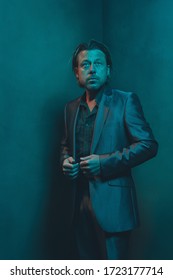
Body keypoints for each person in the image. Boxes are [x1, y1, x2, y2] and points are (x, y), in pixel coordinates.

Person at [60, 39, 158, 260]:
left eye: (99, 64)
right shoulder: (70, 108)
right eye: (85, 64)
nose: (92, 69)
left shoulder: (125, 101)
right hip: (78, 203)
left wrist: (104, 162)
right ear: (77, 73)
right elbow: (66, 145)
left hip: (114, 206)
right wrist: (65, 160)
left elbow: (148, 145)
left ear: (108, 70)